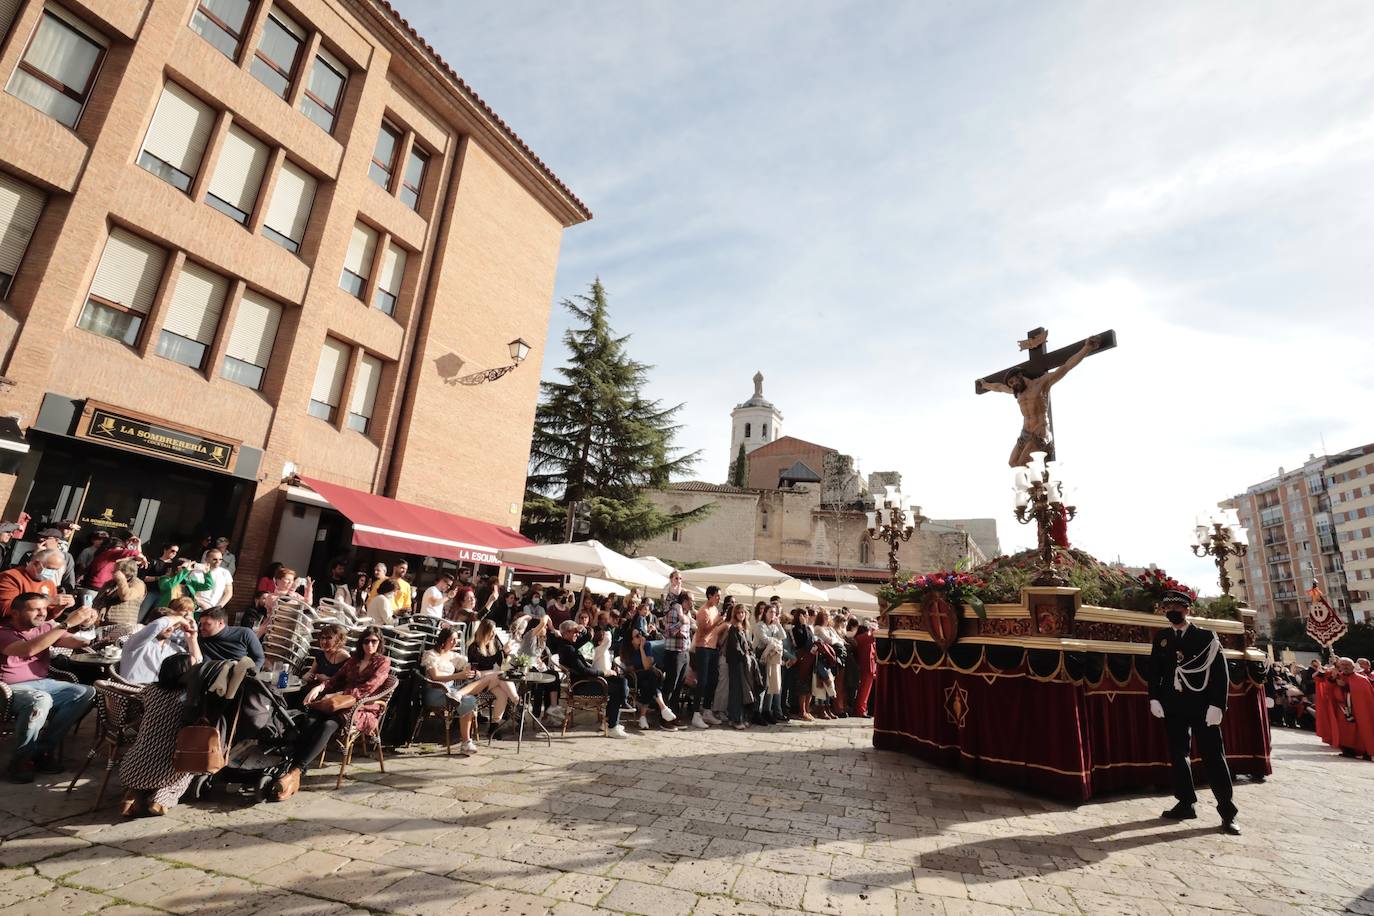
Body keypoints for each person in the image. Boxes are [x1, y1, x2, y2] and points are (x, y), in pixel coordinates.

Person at [1148, 590, 1238, 835]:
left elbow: (1220, 673)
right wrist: (1154, 698)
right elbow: (1155, 670)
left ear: (1187, 610)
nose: (1171, 612)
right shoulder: (1163, 637)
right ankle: (1185, 802)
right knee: (1178, 755)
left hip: (1202, 705)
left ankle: (1227, 812)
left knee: (1213, 758)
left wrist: (1218, 705)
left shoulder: (1206, 637)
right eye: (1167, 609)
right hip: (1172, 705)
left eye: (1176, 608)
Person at [0, 593, 98, 782]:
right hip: (8, 688)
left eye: (44, 609)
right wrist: (65, 624)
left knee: (85, 692)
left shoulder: (45, 628)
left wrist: (87, 626)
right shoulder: (3, 632)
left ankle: (41, 751)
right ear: (15, 613)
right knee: (41, 700)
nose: (42, 614)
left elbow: (75, 642)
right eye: (36, 609)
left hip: (43, 683)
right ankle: (20, 761)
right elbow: (28, 649)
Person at [287, 626, 391, 782]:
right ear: (361, 643)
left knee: (328, 725)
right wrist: (320, 687)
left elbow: (368, 688)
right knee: (309, 720)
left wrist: (338, 694)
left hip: (362, 705)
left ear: (379, 642)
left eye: (373, 641)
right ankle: (292, 763)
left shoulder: (382, 662)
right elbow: (337, 678)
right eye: (366, 641)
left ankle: (297, 769)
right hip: (339, 702)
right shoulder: (354, 660)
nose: (370, 645)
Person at [118, 653, 198, 816]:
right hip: (166, 769)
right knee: (188, 771)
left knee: (147, 767)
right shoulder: (188, 696)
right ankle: (160, 800)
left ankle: (131, 795)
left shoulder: (151, 690)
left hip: (131, 767)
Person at [422, 627, 508, 754]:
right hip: (436, 691)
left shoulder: (452, 655)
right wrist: (459, 676)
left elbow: (466, 664)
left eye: (456, 639)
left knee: (470, 698)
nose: (455, 642)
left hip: (451, 689)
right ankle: (466, 741)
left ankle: (466, 742)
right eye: (452, 639)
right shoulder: (431, 655)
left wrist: (472, 671)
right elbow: (435, 677)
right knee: (483, 685)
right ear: (443, 640)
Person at [550, 619, 629, 738]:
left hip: (588, 681)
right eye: (574, 632)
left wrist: (581, 629)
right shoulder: (567, 649)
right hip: (582, 685)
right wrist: (604, 672)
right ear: (566, 633)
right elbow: (584, 671)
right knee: (616, 689)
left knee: (621, 680)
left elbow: (587, 637)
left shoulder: (569, 643)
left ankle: (615, 713)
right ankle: (612, 725)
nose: (577, 634)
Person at [117, 597, 201, 685]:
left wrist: (193, 640)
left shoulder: (174, 649)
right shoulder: (137, 642)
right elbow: (158, 625)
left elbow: (197, 666)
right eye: (168, 625)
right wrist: (179, 618)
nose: (171, 628)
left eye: (174, 625)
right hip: (130, 693)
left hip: (157, 694)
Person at [619, 628, 677, 729]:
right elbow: (636, 668)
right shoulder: (627, 650)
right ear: (631, 640)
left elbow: (646, 666)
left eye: (641, 634)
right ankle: (663, 708)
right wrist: (644, 663)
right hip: (633, 677)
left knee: (648, 683)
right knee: (651, 675)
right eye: (637, 636)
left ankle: (643, 717)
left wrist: (641, 649)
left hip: (647, 677)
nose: (640, 637)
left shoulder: (646, 645)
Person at [713, 602, 756, 729]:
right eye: (738, 612)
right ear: (735, 614)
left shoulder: (744, 628)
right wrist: (744, 656)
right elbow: (735, 647)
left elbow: (748, 645)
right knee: (736, 692)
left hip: (742, 663)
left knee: (741, 692)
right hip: (735, 663)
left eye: (743, 612)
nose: (741, 615)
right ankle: (736, 719)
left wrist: (750, 654)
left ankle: (738, 717)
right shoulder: (733, 628)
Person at [0, 547, 77, 617]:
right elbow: (5, 610)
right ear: (36, 563)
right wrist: (47, 601)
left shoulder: (49, 583)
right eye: (50, 569)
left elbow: (49, 615)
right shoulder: (11, 577)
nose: (52, 573)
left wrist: (61, 606)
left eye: (56, 570)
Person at [692, 586, 723, 729]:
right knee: (702, 682)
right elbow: (704, 631)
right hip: (703, 647)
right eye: (717, 596)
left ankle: (707, 710)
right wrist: (718, 622)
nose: (719, 598)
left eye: (719, 596)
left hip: (713, 648)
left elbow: (716, 630)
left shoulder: (715, 610)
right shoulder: (703, 611)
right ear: (709, 596)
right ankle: (695, 713)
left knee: (713, 680)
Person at [196, 606, 265, 668]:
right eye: (201, 624)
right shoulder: (201, 639)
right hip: (214, 676)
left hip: (241, 675)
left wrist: (252, 673)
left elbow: (259, 658)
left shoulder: (244, 634)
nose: (201, 628)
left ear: (220, 623)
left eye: (207, 624)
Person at [753, 603, 788, 724]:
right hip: (761, 657)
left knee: (771, 685)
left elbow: (783, 636)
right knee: (762, 686)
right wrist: (776, 642)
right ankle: (757, 712)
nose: (772, 614)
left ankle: (767, 711)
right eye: (770, 612)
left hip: (773, 658)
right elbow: (764, 639)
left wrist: (778, 623)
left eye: (774, 612)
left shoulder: (774, 626)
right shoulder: (759, 625)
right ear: (765, 613)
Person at [92, 557, 145, 628]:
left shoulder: (138, 584)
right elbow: (97, 601)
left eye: (116, 569)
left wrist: (121, 579)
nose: (113, 572)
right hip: (101, 624)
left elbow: (126, 596)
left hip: (122, 627)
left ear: (126, 571)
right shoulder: (109, 583)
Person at [139, 543, 180, 622]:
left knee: (155, 619)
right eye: (172, 551)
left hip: (165, 595)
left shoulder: (174, 565)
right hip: (151, 592)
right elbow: (143, 578)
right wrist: (159, 578)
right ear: (165, 549)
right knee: (141, 615)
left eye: (176, 552)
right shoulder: (154, 561)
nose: (174, 553)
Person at [302, 623, 350, 689]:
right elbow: (311, 672)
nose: (324, 641)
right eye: (322, 638)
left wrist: (328, 679)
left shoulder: (344, 656)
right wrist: (307, 676)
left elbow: (347, 682)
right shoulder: (320, 654)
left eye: (329, 638)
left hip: (332, 692)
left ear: (338, 640)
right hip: (316, 688)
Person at [790, 607, 816, 721]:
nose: (806, 617)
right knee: (803, 686)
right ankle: (802, 711)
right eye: (804, 615)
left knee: (809, 686)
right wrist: (804, 625)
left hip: (810, 658)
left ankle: (807, 709)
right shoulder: (796, 629)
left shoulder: (808, 628)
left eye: (806, 615)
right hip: (802, 658)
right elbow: (804, 642)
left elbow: (812, 640)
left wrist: (806, 626)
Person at [853, 621, 877, 718]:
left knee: (865, 691)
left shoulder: (861, 638)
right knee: (864, 691)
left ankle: (862, 708)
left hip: (868, 667)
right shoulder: (864, 637)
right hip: (866, 667)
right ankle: (860, 710)